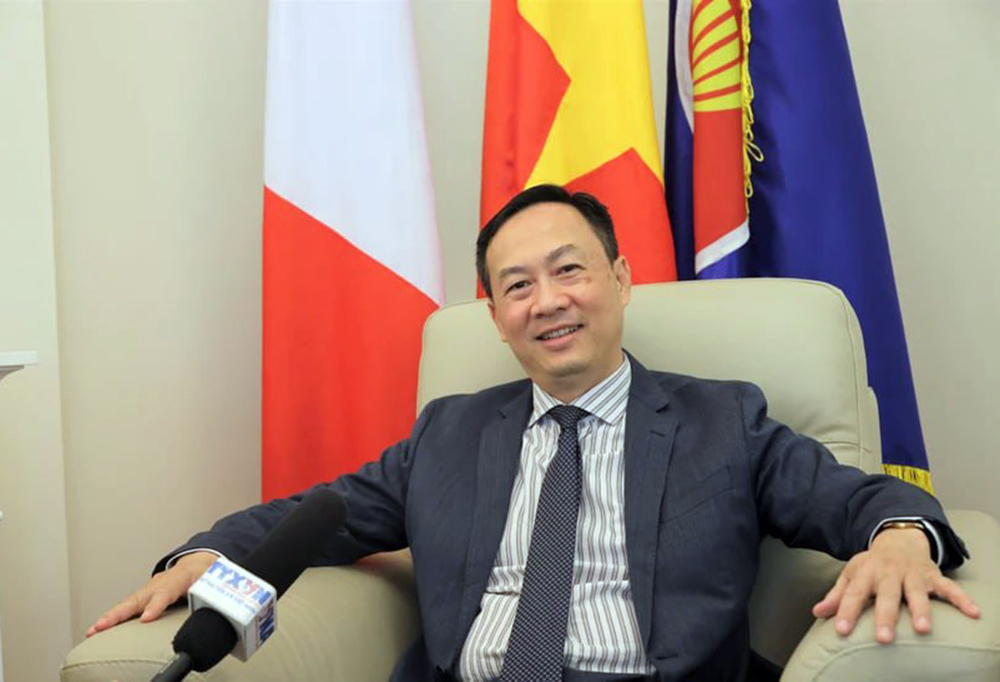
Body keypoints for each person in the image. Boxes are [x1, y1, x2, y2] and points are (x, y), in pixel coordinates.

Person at [87, 185, 979, 681]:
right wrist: (200, 557)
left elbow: (857, 499)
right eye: (517, 287)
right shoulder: (449, 434)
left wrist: (901, 536)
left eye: (569, 271)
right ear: (497, 319)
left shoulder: (723, 420)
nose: (547, 301)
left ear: (621, 279)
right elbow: (321, 515)